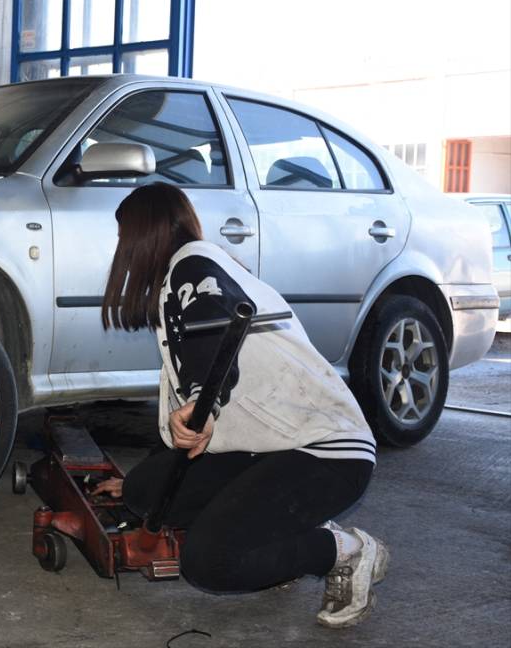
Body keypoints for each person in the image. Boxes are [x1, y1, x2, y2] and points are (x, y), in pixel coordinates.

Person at [92, 182, 388, 629]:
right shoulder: (198, 271)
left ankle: (342, 551)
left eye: (123, 238)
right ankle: (275, 526)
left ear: (141, 233)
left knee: (210, 562)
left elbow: (211, 341)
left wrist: (199, 405)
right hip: (272, 447)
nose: (123, 251)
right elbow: (204, 357)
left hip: (327, 452)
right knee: (144, 493)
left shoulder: (194, 267)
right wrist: (150, 467)